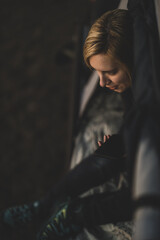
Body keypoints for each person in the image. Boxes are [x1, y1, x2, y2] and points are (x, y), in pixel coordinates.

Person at [0, 9, 135, 240]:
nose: (102, 83)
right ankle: (45, 205)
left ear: (132, 59)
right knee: (107, 154)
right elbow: (134, 124)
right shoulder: (135, 83)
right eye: (98, 73)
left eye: (110, 72)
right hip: (138, 142)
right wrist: (123, 142)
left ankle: (74, 215)